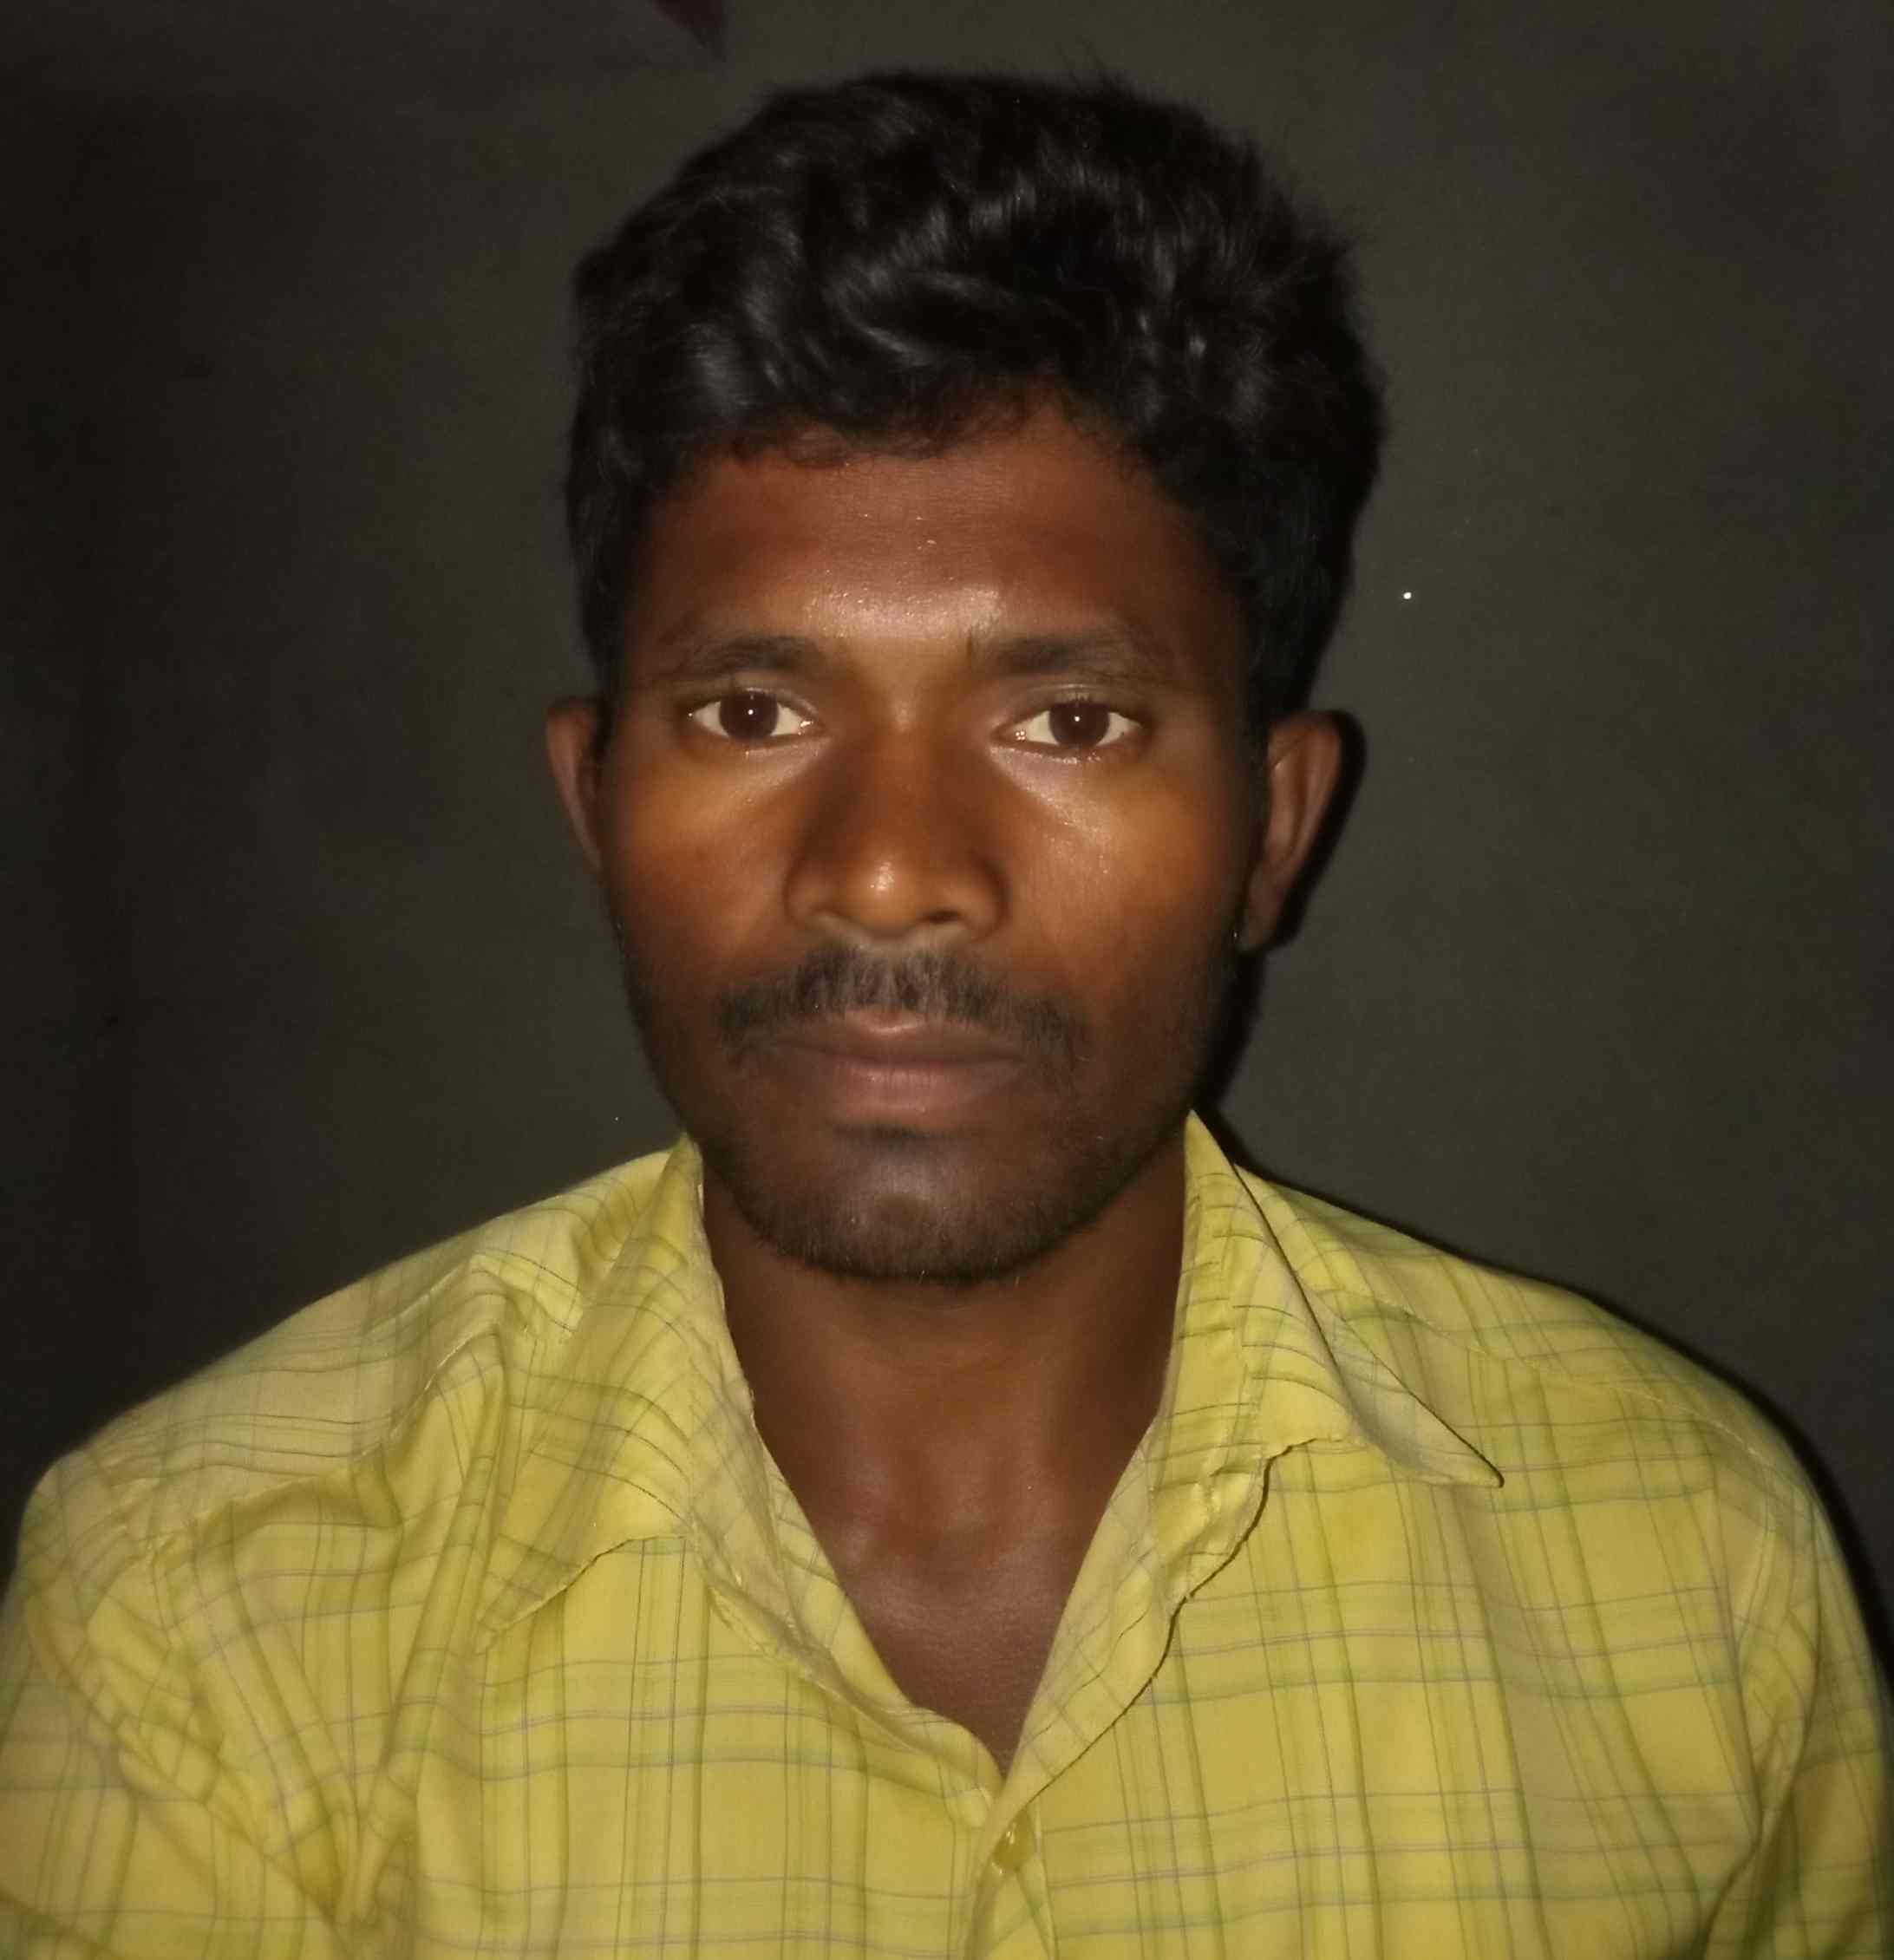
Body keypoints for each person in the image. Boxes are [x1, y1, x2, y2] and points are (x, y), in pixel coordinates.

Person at [0, 69, 1885, 1959]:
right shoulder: (204, 1604)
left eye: (1069, 719)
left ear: (1273, 828)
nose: (892, 871)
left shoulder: (1687, 1561)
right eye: (755, 712)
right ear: (592, 805)